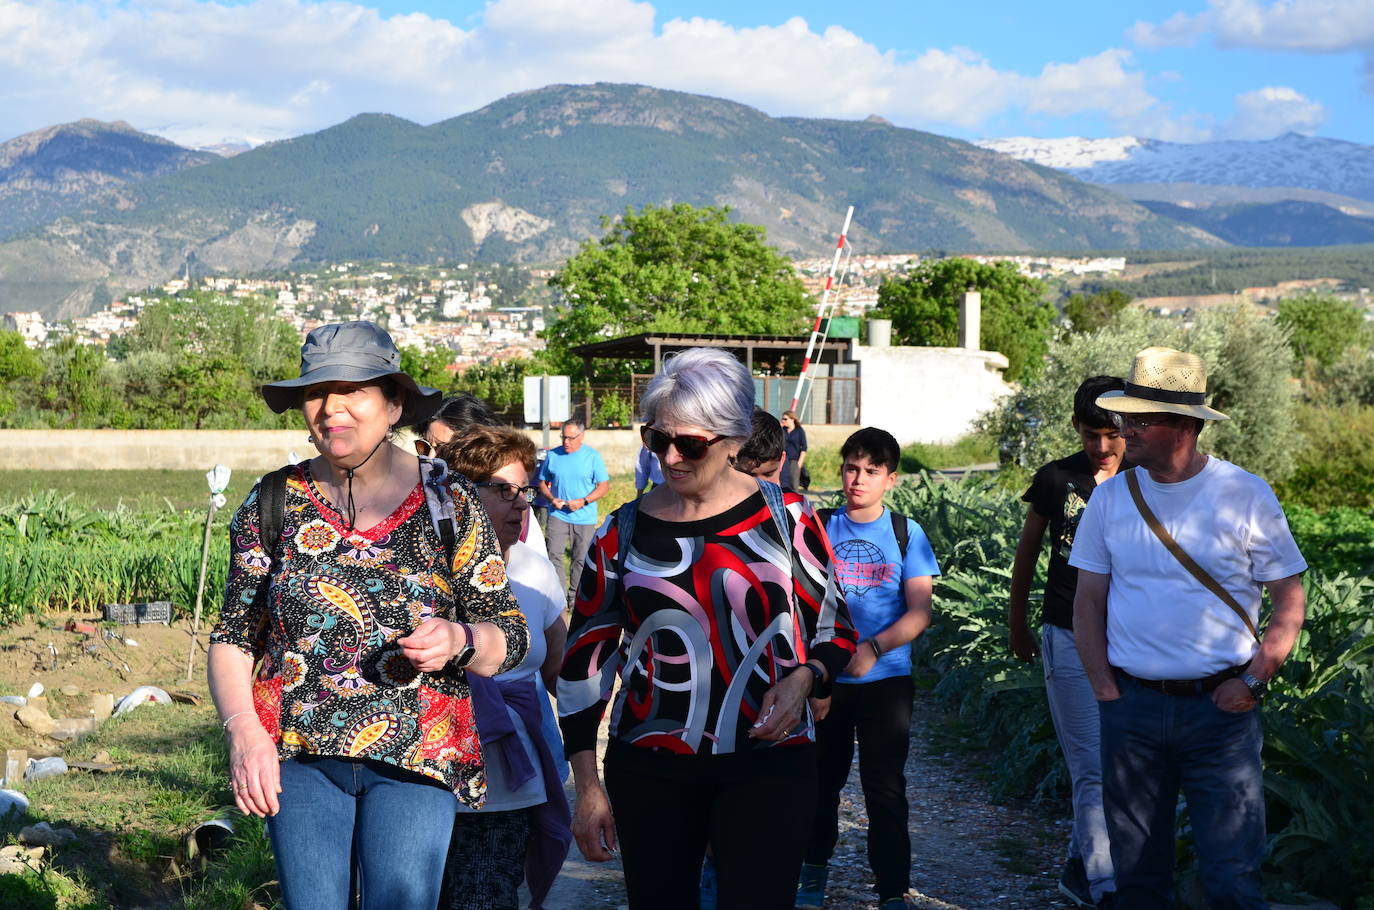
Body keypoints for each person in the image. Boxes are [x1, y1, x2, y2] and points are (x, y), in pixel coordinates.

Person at [208, 321, 530, 910]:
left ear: (394, 403)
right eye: (316, 392)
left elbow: (508, 636)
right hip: (299, 758)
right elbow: (234, 635)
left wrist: (459, 639)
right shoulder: (272, 500)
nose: (332, 408)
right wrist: (244, 733)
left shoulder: (449, 499)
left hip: (416, 754)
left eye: (354, 389)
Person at [558, 348, 858, 910]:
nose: (670, 457)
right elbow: (583, 669)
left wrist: (806, 680)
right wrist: (587, 788)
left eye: (689, 443)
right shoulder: (620, 534)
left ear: (734, 440)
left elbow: (834, 627)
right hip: (650, 771)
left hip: (769, 766)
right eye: (657, 439)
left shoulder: (787, 519)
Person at [1070, 347, 1308, 910]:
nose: (1123, 429)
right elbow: (1087, 604)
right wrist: (1106, 689)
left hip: (1220, 713)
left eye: (1136, 419)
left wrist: (1252, 682)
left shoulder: (1245, 494)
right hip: (1132, 709)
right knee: (1138, 878)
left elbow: (1290, 600)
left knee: (1232, 874)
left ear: (1181, 426)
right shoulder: (1111, 499)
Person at [799, 427, 940, 910]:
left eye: (871, 471)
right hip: (826, 680)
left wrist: (874, 649)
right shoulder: (815, 527)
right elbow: (799, 605)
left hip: (887, 682)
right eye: (851, 467)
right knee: (820, 783)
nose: (858, 479)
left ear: (891, 479)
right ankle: (811, 874)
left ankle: (893, 891)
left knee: (885, 788)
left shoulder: (907, 533)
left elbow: (919, 612)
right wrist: (818, 671)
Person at [437, 426, 571, 910]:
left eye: (525, 491)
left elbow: (561, 671)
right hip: (432, 778)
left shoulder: (535, 571)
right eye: (503, 491)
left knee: (489, 898)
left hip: (513, 783)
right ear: (459, 496)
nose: (521, 505)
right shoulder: (420, 570)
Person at [1007, 375, 1127, 909]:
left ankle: (1081, 867)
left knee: (1121, 764)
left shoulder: (1146, 479)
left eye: (1111, 434)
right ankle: (1104, 886)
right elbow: (1028, 553)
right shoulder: (1057, 479)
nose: (1101, 448)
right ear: (1076, 428)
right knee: (1091, 765)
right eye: (1090, 435)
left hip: (1134, 641)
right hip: (1067, 633)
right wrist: (1017, 620)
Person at [414, 393, 546, 554]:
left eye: (444, 449)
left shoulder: (518, 515)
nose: (431, 458)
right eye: (424, 448)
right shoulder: (415, 507)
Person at [537, 417, 610, 599]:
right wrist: (552, 498)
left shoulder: (593, 457)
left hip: (584, 517)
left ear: (582, 436)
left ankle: (575, 596)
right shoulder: (553, 455)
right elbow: (542, 483)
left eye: (570, 438)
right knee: (554, 555)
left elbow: (603, 486)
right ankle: (558, 597)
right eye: (563, 437)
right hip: (558, 514)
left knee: (581, 559)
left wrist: (584, 501)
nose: (566, 442)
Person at [734, 408, 787, 485]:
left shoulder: (792, 497)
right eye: (748, 475)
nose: (761, 485)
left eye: (768, 474)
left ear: (782, 460)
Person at [780, 410, 807, 492]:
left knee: (793, 482)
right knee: (784, 482)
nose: (783, 421)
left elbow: (804, 447)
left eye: (785, 419)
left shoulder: (799, 431)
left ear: (792, 419)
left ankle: (795, 501)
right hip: (784, 459)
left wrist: (800, 463)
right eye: (782, 419)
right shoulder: (783, 430)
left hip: (794, 460)